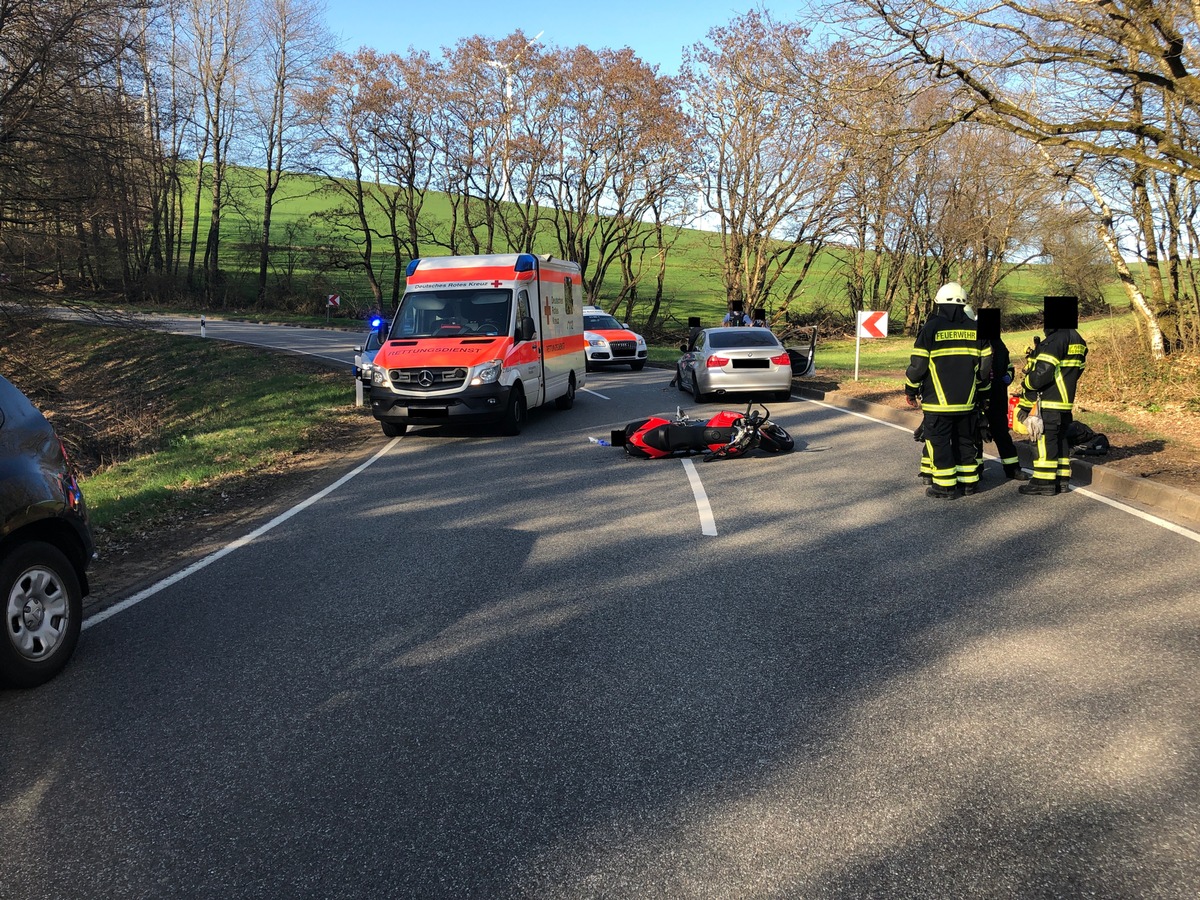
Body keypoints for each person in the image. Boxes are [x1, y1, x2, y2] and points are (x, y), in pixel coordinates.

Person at [904, 281, 992, 499]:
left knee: (939, 442)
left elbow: (918, 366)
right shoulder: (977, 330)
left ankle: (944, 487)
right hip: (968, 401)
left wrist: (910, 390)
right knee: (965, 441)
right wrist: (982, 394)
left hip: (938, 402)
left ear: (939, 304)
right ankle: (970, 484)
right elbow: (985, 368)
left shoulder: (931, 329)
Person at [1015, 296, 1088, 496]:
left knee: (1044, 440)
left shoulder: (1056, 340)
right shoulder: (1078, 340)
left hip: (1049, 400)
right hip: (1065, 401)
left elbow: (1043, 373)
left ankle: (1043, 482)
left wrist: (1027, 381)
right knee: (1061, 439)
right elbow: (1078, 369)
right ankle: (1062, 479)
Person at [975, 308, 1029, 481]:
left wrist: (1008, 376)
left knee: (1001, 433)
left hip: (997, 395)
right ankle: (976, 469)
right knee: (975, 434)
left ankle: (1012, 468)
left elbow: (1009, 366)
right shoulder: (974, 343)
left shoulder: (999, 344)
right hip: (978, 396)